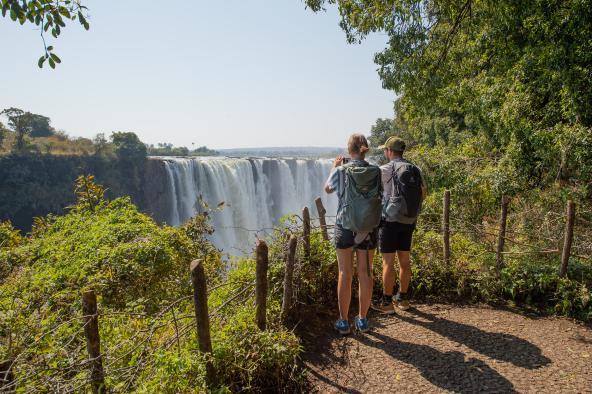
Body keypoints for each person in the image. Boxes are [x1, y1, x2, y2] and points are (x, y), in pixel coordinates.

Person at [325, 133, 382, 335]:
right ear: (365, 150)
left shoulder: (341, 170)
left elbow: (328, 189)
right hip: (368, 228)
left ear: (349, 151)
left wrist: (334, 166)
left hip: (345, 226)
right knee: (366, 273)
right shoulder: (376, 171)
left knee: (344, 273)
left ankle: (343, 322)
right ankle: (363, 320)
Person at [372, 136, 427, 314]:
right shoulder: (415, 168)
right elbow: (423, 193)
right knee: (404, 260)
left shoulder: (384, 169)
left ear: (389, 151)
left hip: (390, 221)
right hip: (408, 220)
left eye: (385, 150)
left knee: (388, 262)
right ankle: (403, 299)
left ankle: (387, 303)